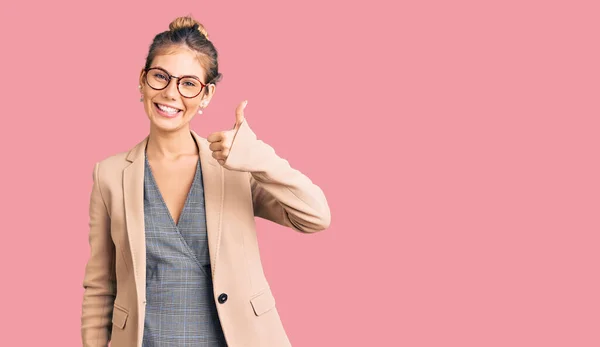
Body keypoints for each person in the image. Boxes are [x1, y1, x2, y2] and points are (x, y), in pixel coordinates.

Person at [80, 15, 331, 347]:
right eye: (160, 77)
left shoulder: (234, 166)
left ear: (206, 95)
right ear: (142, 81)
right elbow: (100, 286)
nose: (171, 93)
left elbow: (315, 217)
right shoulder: (109, 174)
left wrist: (257, 156)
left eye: (188, 83)